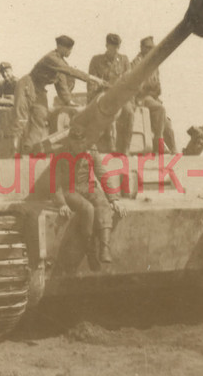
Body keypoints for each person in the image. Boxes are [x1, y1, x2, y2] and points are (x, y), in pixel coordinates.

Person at [53, 123, 126, 267]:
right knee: (88, 209)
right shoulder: (60, 154)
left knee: (103, 203)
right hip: (70, 189)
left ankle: (105, 248)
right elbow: (55, 184)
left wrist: (114, 199)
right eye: (77, 144)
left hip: (87, 186)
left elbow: (101, 173)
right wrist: (61, 203)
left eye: (82, 143)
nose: (80, 147)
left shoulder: (91, 150)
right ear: (70, 142)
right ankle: (90, 250)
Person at [11, 52, 71, 154]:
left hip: (40, 89)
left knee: (41, 116)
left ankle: (29, 147)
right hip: (27, 84)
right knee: (20, 118)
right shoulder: (51, 59)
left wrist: (69, 101)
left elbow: (62, 88)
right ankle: (14, 150)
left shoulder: (61, 70)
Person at [88, 33, 134, 154]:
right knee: (108, 109)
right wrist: (92, 99)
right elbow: (91, 81)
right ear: (107, 46)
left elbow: (130, 81)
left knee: (129, 112)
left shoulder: (124, 60)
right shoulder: (96, 60)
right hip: (103, 94)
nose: (116, 50)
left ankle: (125, 147)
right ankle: (111, 144)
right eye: (113, 47)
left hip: (120, 95)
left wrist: (130, 99)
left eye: (117, 47)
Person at [131, 36, 177, 153]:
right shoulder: (136, 64)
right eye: (147, 47)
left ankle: (174, 151)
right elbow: (137, 88)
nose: (150, 50)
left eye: (152, 47)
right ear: (142, 48)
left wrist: (151, 89)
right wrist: (150, 89)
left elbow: (158, 88)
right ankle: (158, 144)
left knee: (167, 125)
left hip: (152, 97)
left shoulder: (154, 64)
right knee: (160, 109)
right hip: (140, 99)